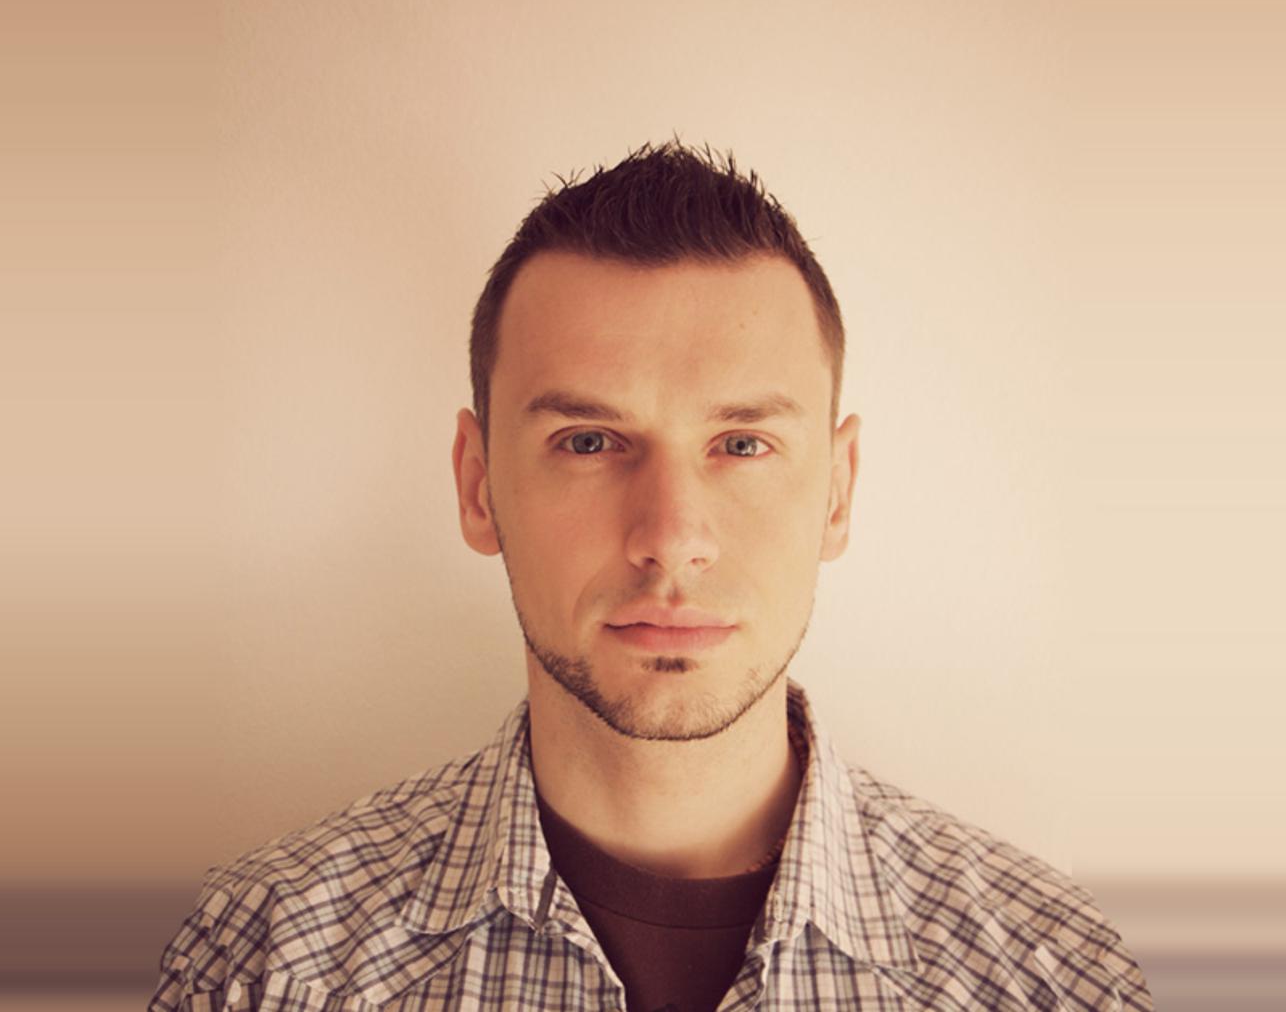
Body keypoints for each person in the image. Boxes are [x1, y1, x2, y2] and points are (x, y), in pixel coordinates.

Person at [150, 143, 1152, 1011]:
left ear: (837, 492)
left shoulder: (1061, 979)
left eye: (742, 445)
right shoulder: (255, 963)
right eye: (589, 441)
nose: (671, 539)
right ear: (478, 486)